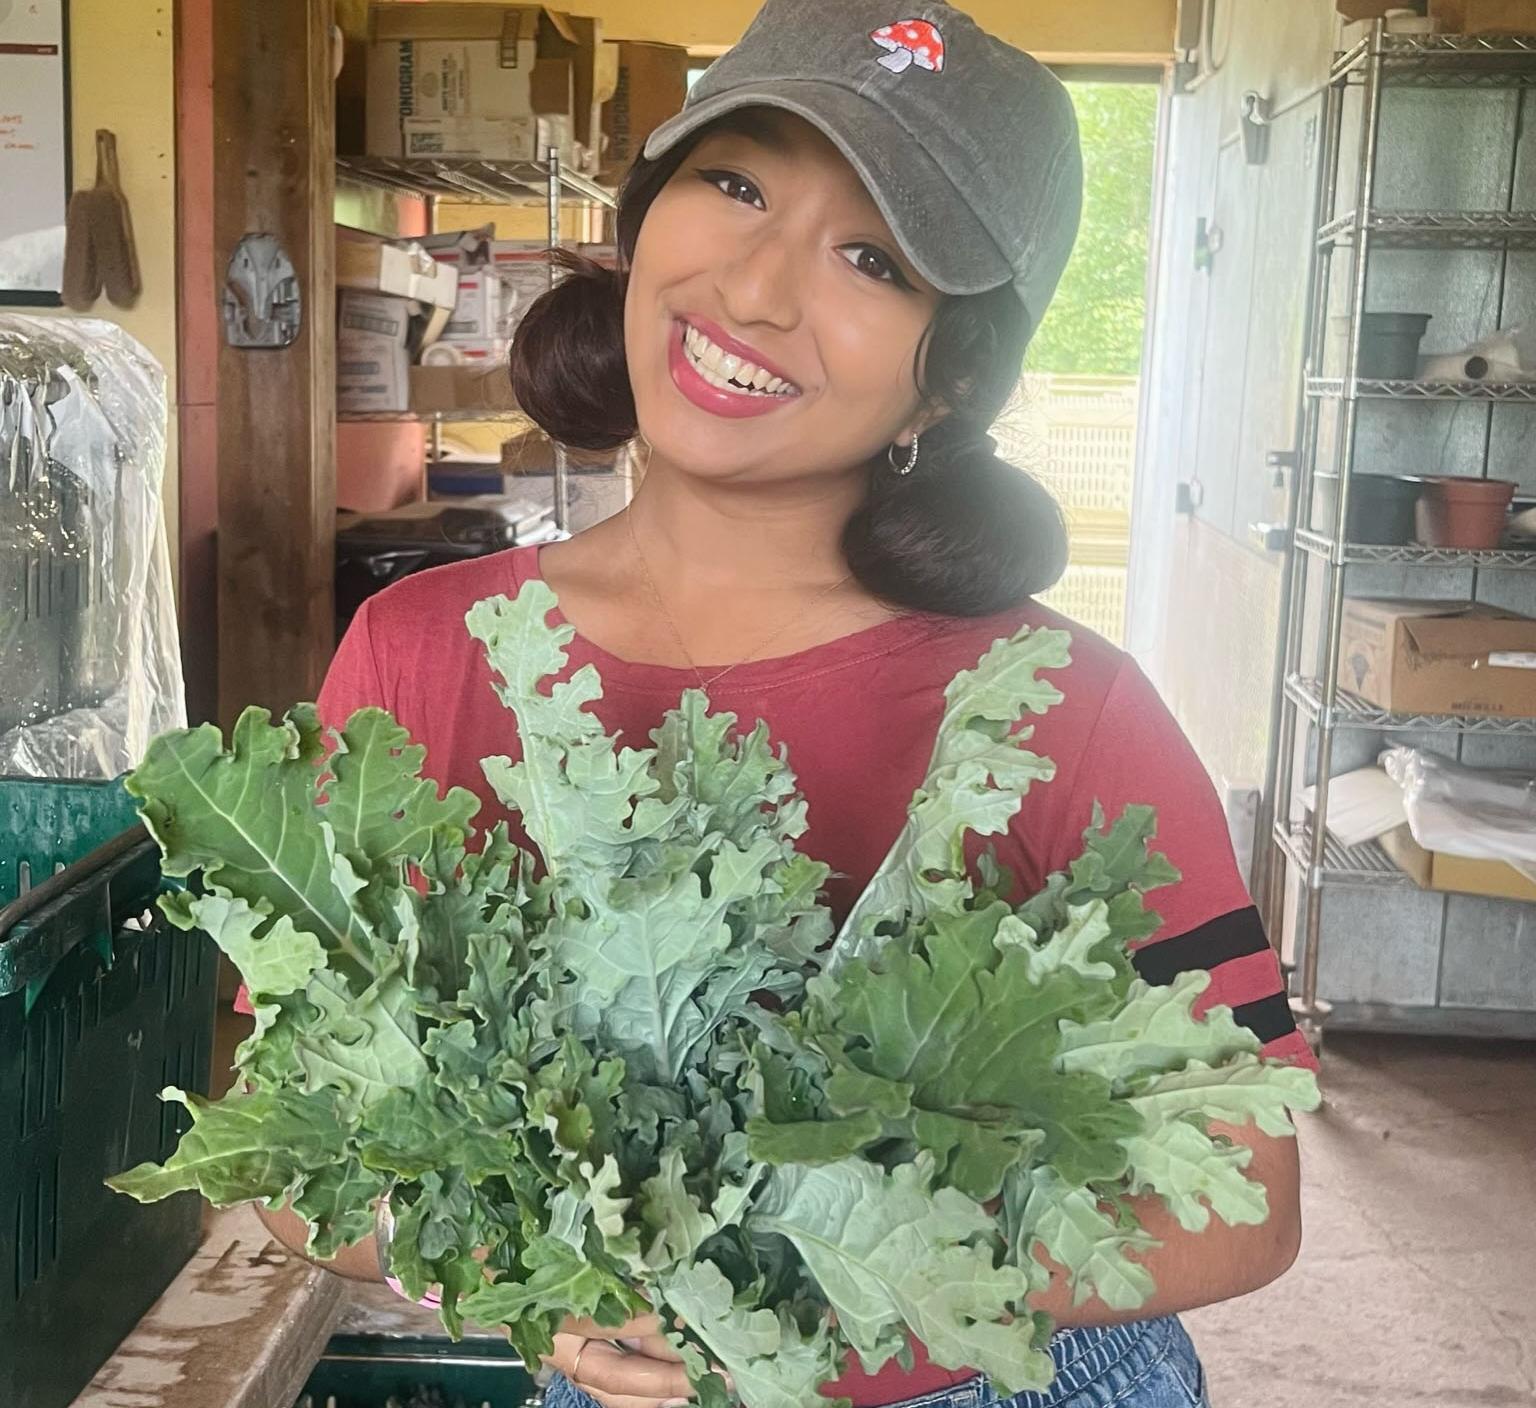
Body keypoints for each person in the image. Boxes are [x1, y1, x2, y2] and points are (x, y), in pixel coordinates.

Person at [256, 2, 1316, 1405]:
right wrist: (522, 1262)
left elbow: (1245, 1192)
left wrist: (821, 1286)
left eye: (872, 257)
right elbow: (292, 1151)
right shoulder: (419, 656)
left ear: (954, 372)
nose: (755, 289)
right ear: (644, 222)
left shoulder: (1060, 708)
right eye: (736, 183)